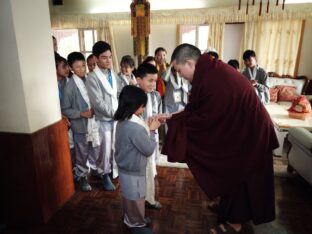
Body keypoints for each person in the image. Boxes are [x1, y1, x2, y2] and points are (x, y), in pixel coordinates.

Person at [163, 43, 279, 234]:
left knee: (239, 171)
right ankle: (228, 207)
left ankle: (236, 221)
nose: (179, 75)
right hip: (242, 128)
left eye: (179, 70)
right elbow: (197, 107)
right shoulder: (208, 71)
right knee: (229, 167)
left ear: (190, 63)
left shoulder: (212, 78)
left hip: (252, 133)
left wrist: (178, 125)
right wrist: (173, 118)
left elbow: (207, 118)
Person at [114, 85, 160, 234]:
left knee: (130, 197)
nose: (143, 109)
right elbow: (148, 149)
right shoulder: (135, 127)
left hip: (125, 167)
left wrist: (146, 126)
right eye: (142, 106)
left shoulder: (122, 121)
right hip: (134, 169)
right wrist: (152, 131)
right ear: (135, 106)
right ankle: (136, 224)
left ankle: (133, 219)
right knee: (137, 198)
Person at [61, 52, 99, 191]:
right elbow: (65, 109)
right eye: (78, 67)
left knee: (95, 149)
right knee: (81, 154)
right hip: (80, 126)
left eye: (83, 66)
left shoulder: (89, 80)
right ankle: (83, 177)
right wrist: (82, 113)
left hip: (93, 123)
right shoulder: (70, 86)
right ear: (71, 68)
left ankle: (95, 170)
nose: (82, 69)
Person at [86, 41, 119, 191]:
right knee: (104, 150)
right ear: (95, 58)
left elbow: (119, 93)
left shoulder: (113, 74)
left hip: (116, 118)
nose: (108, 60)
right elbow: (98, 102)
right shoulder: (92, 78)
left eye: (110, 57)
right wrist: (115, 113)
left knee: (114, 148)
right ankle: (104, 175)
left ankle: (111, 170)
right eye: (104, 57)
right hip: (104, 120)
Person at [136, 63, 166, 210]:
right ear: (138, 80)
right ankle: (138, 203)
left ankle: (149, 198)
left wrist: (160, 118)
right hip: (139, 139)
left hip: (151, 136)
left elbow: (157, 113)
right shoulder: (133, 96)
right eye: (149, 80)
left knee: (150, 169)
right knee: (140, 172)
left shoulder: (155, 96)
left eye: (155, 81)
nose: (153, 84)